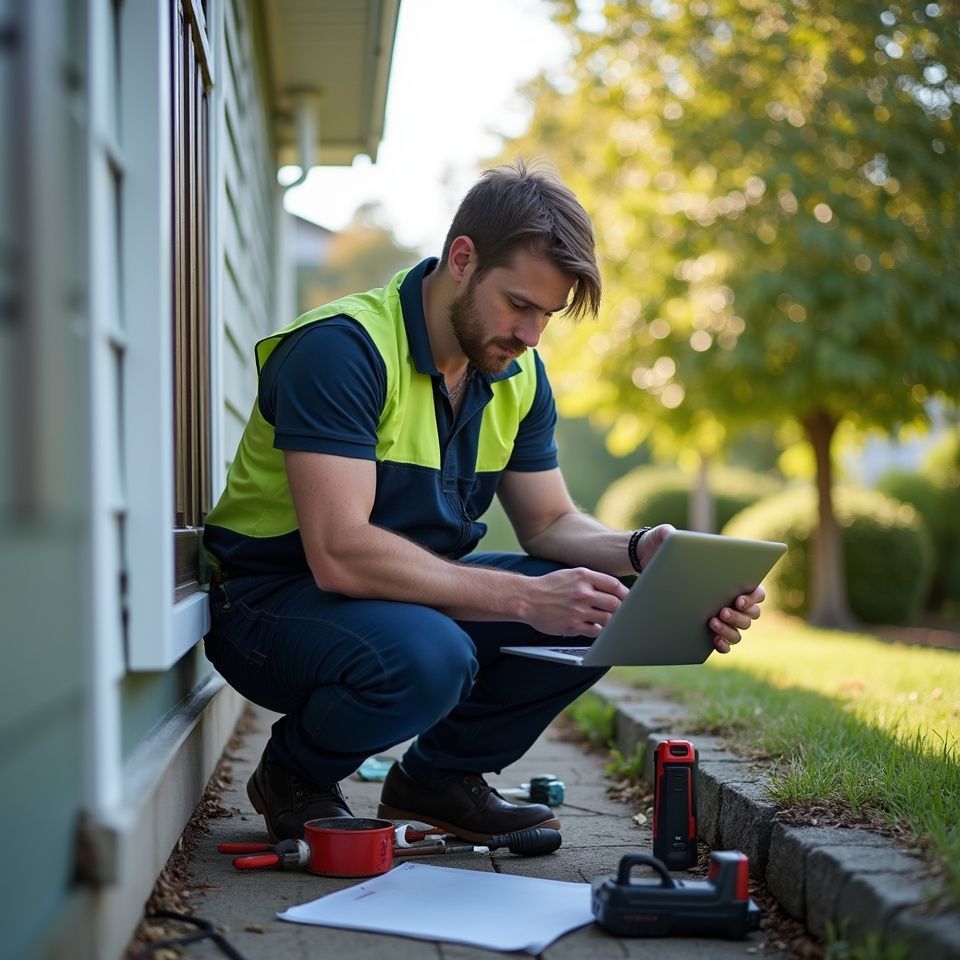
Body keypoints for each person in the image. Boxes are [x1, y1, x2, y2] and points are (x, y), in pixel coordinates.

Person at [203, 160, 764, 843]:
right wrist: (526, 599)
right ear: (462, 259)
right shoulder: (342, 350)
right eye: (520, 305)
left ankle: (436, 781)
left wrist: (639, 553)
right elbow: (340, 553)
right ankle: (295, 774)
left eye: (547, 316)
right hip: (268, 606)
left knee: (597, 602)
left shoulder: (515, 373)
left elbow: (551, 523)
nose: (531, 335)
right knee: (433, 654)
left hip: (403, 601)